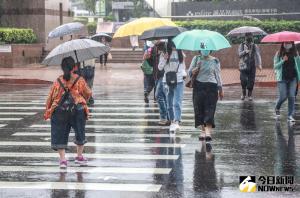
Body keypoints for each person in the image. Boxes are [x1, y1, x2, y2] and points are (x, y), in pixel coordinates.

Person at [44, 56, 92, 168]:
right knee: (80, 132)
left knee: (60, 133)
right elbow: (88, 93)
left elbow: (50, 97)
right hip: (77, 110)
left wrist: (48, 110)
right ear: (74, 67)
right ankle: (79, 157)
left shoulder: (57, 81)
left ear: (62, 67)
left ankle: (63, 160)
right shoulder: (79, 79)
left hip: (59, 111)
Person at [188, 50, 223, 141]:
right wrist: (193, 71)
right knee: (200, 109)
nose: (205, 50)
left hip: (212, 86)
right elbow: (189, 72)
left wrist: (220, 89)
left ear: (210, 50)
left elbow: (218, 75)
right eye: (203, 48)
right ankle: (203, 131)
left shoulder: (215, 61)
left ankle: (208, 131)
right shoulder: (196, 59)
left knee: (210, 109)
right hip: (199, 86)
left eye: (207, 48)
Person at [158, 40, 187, 133]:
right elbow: (160, 67)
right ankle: (172, 121)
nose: (174, 47)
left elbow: (183, 66)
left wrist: (183, 74)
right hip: (167, 81)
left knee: (177, 102)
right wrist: (165, 58)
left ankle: (177, 121)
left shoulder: (180, 53)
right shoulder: (164, 54)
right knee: (169, 103)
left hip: (178, 80)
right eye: (172, 45)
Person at [274, 42, 300, 122]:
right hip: (282, 79)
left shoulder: (296, 53)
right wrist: (282, 60)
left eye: (289, 42)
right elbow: (275, 66)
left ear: (292, 44)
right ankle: (277, 107)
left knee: (292, 96)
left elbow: (298, 66)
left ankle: (290, 116)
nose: (287, 44)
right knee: (283, 96)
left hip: (293, 78)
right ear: (283, 43)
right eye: (286, 42)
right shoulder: (278, 53)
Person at [238, 33, 262, 101]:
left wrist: (259, 64)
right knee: (243, 80)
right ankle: (243, 93)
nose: (249, 37)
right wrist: (245, 51)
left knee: (251, 80)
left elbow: (258, 55)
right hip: (243, 65)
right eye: (248, 36)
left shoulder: (254, 45)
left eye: (250, 36)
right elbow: (239, 55)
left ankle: (250, 95)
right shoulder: (241, 45)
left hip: (252, 65)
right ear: (245, 37)